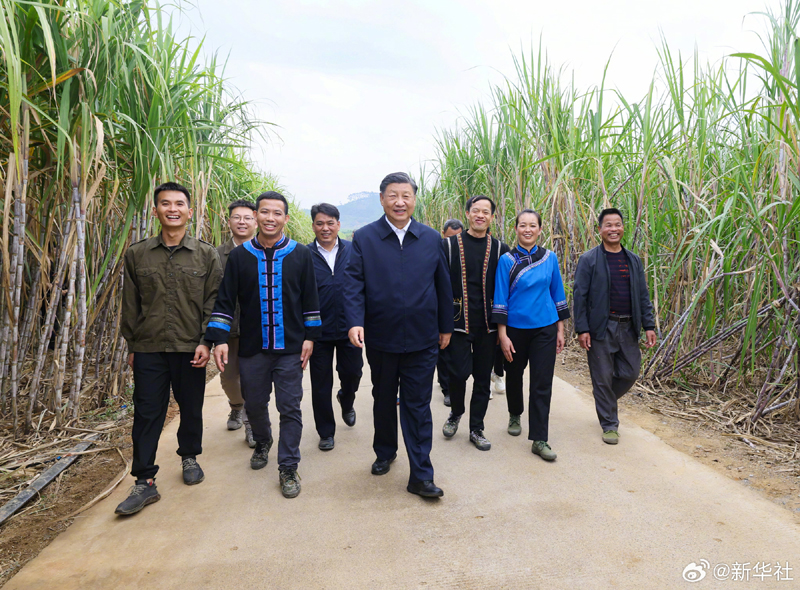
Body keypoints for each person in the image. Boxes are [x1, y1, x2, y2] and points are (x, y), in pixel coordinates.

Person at [343, 172, 453, 498]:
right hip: (382, 338)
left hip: (423, 339)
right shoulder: (365, 238)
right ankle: (385, 450)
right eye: (393, 195)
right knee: (383, 398)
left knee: (418, 405)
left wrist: (445, 327)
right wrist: (354, 321)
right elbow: (353, 283)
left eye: (406, 195)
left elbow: (443, 286)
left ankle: (421, 475)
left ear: (414, 200)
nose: (400, 202)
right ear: (382, 199)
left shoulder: (431, 238)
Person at [115, 182, 222, 515]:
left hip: (190, 347)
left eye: (179, 204)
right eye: (165, 203)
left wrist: (206, 341)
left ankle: (189, 457)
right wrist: (132, 345)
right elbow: (130, 304)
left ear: (190, 211)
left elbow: (213, 302)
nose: (172, 209)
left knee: (191, 407)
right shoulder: (137, 254)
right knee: (147, 412)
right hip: (149, 347)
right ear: (156, 210)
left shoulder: (206, 254)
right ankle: (144, 480)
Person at [207, 191, 320, 499]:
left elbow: (310, 299)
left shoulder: (300, 255)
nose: (271, 218)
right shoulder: (240, 256)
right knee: (255, 404)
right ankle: (263, 440)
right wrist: (219, 339)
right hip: (252, 347)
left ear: (285, 218)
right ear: (256, 216)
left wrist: (310, 337)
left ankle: (288, 466)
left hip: (290, 348)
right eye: (265, 212)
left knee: (289, 407)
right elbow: (225, 301)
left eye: (277, 213)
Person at [573, 207, 657, 445]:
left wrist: (649, 325)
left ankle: (604, 400)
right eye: (608, 225)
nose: (613, 229)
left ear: (623, 228)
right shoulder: (589, 259)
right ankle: (609, 424)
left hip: (628, 326)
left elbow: (643, 295)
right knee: (602, 377)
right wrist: (582, 329)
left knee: (630, 373)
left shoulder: (633, 260)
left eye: (617, 224)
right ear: (600, 230)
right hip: (601, 328)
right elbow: (580, 296)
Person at [492, 209, 569, 462]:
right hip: (515, 329)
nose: (528, 229)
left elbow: (557, 293)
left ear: (539, 229)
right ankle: (515, 413)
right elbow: (500, 297)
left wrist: (560, 329)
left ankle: (539, 438)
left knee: (541, 382)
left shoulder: (550, 258)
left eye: (532, 225)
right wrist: (502, 335)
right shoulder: (507, 260)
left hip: (545, 328)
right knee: (514, 375)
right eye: (523, 225)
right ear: (516, 229)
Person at [441, 197, 510, 451]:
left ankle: (476, 428)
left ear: (492, 217)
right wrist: (441, 324)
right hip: (457, 323)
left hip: (488, 325)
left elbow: (508, 288)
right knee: (458, 373)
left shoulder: (501, 249)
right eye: (476, 210)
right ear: (468, 213)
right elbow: (438, 285)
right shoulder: (448, 246)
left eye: (486, 212)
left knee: (482, 378)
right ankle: (456, 412)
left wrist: (504, 327)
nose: (480, 215)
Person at [307, 203, 363, 451]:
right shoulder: (304, 254)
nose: (325, 228)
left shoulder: (353, 251)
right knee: (320, 385)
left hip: (350, 328)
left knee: (353, 373)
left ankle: (346, 400)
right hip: (318, 331)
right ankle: (326, 432)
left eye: (330, 223)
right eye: (320, 223)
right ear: (313, 226)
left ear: (338, 225)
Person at [217, 199, 258, 446]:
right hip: (229, 328)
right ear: (229, 221)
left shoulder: (264, 251)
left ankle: (252, 424)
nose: (242, 222)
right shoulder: (216, 255)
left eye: (247, 218)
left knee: (254, 380)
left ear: (256, 221)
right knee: (230, 378)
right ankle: (236, 406)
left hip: (257, 329)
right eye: (236, 217)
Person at [438, 218, 464, 407]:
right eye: (450, 237)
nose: (454, 241)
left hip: (462, 308)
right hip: (442, 304)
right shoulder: (438, 249)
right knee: (443, 349)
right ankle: (446, 389)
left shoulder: (465, 251)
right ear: (443, 235)